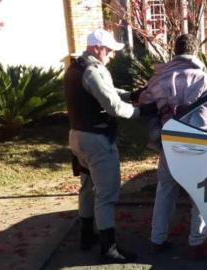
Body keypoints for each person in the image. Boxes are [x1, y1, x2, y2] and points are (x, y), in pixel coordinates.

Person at [63, 28, 157, 263]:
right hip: (96, 140)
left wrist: (131, 94)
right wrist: (141, 111)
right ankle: (109, 248)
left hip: (77, 137)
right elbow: (113, 107)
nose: (112, 55)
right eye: (110, 50)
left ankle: (86, 236)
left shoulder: (76, 67)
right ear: (97, 48)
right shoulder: (93, 71)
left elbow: (106, 93)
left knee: (87, 187)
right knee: (106, 195)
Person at [138, 34, 207, 259]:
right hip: (195, 146)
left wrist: (161, 124)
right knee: (200, 195)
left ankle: (157, 239)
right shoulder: (204, 80)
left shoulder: (158, 79)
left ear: (175, 51)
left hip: (169, 144)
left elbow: (144, 105)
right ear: (195, 52)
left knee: (165, 190)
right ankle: (197, 243)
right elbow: (205, 119)